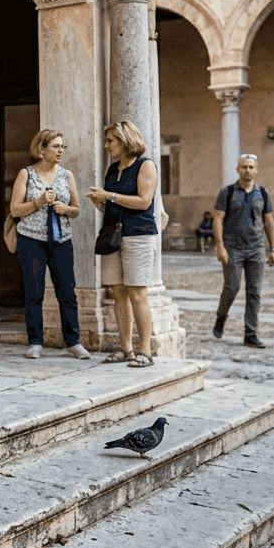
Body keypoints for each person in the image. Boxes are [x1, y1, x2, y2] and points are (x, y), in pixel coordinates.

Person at [9, 129, 90, 360]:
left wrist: (66, 209)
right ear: (41, 149)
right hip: (31, 241)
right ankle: (35, 342)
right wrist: (38, 201)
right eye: (55, 146)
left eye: (62, 146)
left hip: (61, 240)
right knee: (34, 292)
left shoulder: (67, 175)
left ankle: (73, 342)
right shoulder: (26, 174)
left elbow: (76, 209)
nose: (60, 150)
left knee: (67, 292)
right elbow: (15, 209)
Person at [86, 120, 159, 368]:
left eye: (110, 141)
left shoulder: (145, 165)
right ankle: (126, 348)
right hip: (113, 236)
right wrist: (100, 201)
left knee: (137, 293)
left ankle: (145, 351)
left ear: (125, 140)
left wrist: (110, 196)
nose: (106, 145)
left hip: (138, 234)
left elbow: (144, 201)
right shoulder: (112, 169)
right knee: (117, 291)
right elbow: (112, 204)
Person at [211, 153, 274, 348]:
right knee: (232, 287)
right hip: (233, 248)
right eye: (244, 167)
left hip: (257, 248)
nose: (247, 170)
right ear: (238, 169)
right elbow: (217, 219)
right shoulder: (228, 192)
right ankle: (221, 317)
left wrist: (273, 249)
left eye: (251, 167)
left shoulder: (263, 193)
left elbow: (269, 221)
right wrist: (220, 247)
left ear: (256, 170)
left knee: (254, 291)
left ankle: (250, 334)